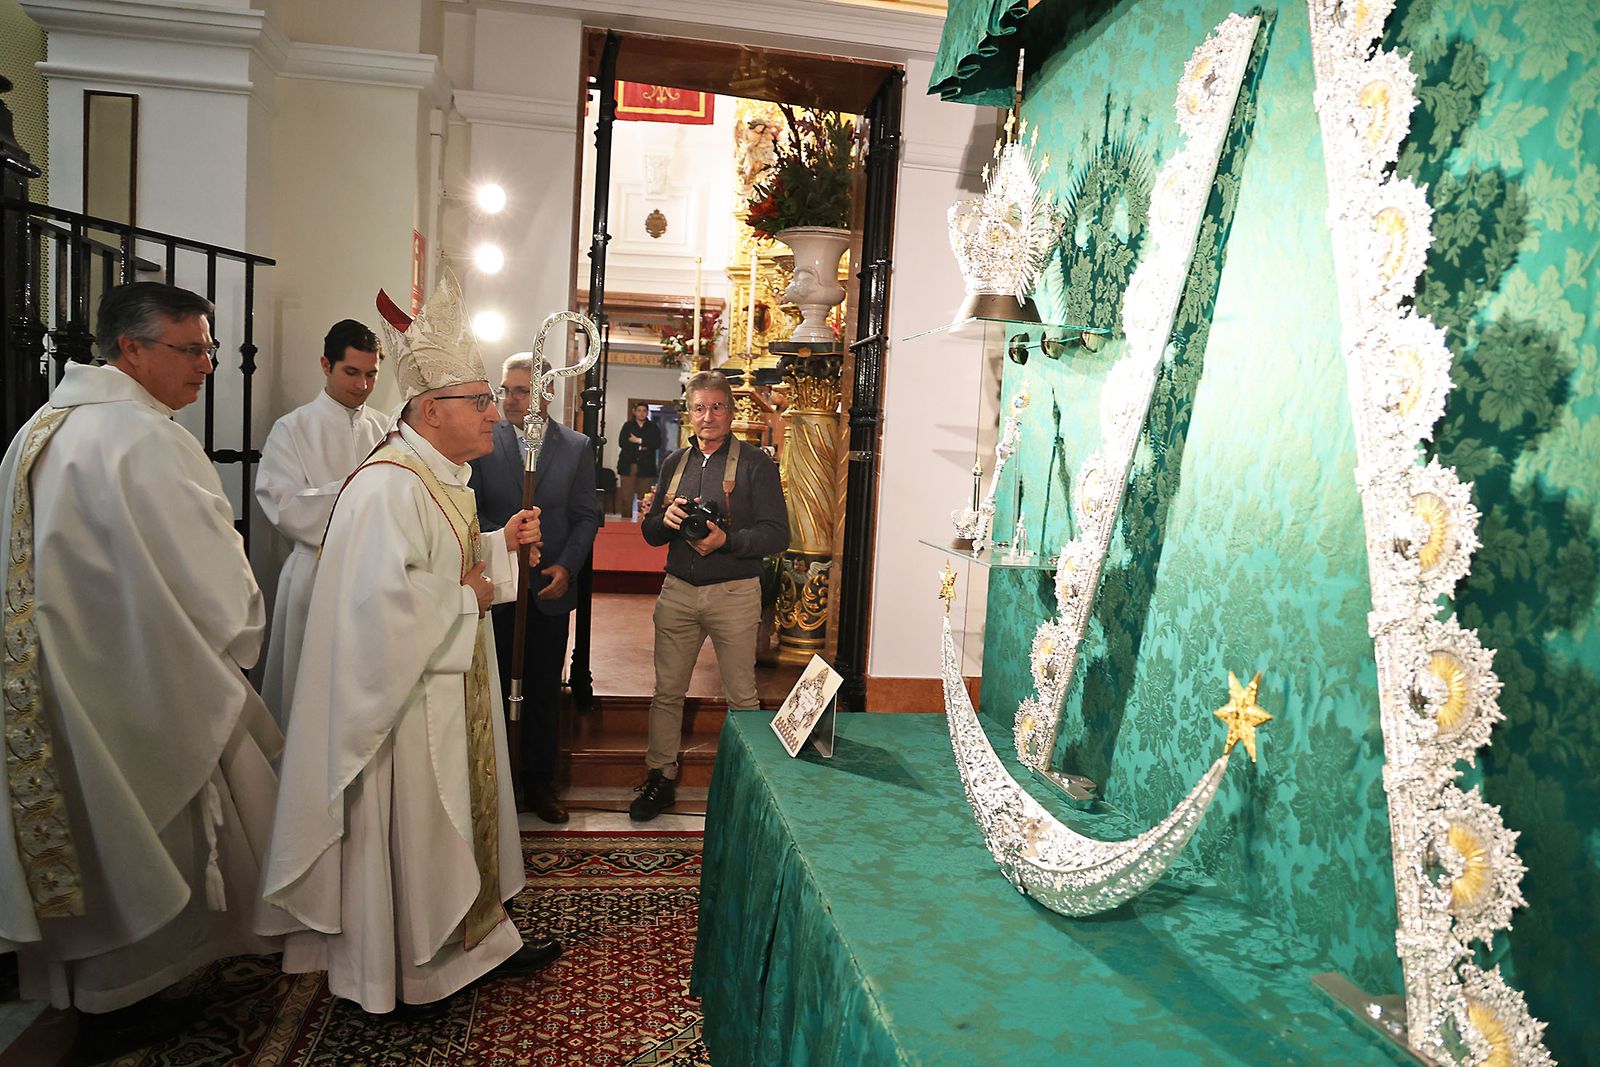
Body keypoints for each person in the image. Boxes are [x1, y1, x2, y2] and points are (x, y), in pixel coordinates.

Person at [0, 283, 294, 1026]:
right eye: (190, 348)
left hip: (48, 687)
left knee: (83, 833)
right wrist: (237, 631)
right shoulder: (146, 438)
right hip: (137, 681)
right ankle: (137, 993)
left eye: (210, 349)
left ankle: (86, 993)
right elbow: (217, 586)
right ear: (130, 349)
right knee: (145, 837)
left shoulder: (39, 428)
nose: (206, 365)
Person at [262, 274, 555, 1014]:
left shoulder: (436, 473)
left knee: (456, 822)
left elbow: (436, 561)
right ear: (430, 409)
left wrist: (496, 545)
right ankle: (414, 968)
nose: (497, 413)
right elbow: (376, 614)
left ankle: (475, 945)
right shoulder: (386, 486)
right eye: (481, 401)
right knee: (421, 832)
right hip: (406, 708)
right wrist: (469, 594)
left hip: (446, 685)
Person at [630, 370, 789, 821]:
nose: (708, 416)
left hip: (734, 592)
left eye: (717, 406)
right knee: (667, 693)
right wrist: (669, 519)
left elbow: (777, 534)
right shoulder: (674, 463)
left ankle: (751, 783)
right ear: (689, 413)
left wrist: (728, 541)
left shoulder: (756, 463)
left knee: (742, 695)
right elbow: (650, 534)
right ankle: (660, 778)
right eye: (699, 408)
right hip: (678, 590)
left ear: (731, 411)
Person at [469, 352, 600, 824]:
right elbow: (473, 508)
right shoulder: (486, 441)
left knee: (544, 689)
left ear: (546, 393)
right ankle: (496, 782)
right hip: (497, 588)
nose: (509, 399)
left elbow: (587, 516)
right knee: (495, 684)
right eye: (506, 389)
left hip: (548, 588)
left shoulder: (576, 446)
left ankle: (540, 784)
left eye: (521, 390)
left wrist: (565, 566)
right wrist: (508, 539)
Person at [254, 319, 386, 729]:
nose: (362, 385)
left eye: (371, 374)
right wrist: (361, 492)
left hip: (376, 577)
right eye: (351, 372)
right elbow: (284, 506)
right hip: (316, 571)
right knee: (307, 700)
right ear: (326, 365)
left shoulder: (387, 429)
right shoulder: (293, 428)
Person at [615, 401, 660, 516]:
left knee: (644, 500)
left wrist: (638, 441)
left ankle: (641, 524)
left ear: (647, 412)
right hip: (628, 465)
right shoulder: (628, 426)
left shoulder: (653, 427)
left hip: (646, 467)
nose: (641, 413)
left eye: (644, 411)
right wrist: (643, 446)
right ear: (634, 412)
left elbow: (656, 443)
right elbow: (622, 443)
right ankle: (625, 524)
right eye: (639, 410)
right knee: (626, 499)